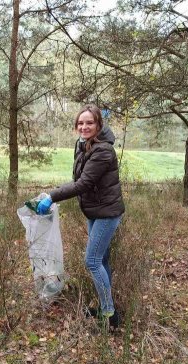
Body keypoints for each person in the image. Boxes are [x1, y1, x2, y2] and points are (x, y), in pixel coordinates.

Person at [36, 104, 125, 328]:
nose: (84, 127)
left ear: (98, 125)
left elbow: (84, 183)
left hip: (106, 213)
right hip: (95, 210)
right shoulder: (85, 145)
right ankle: (106, 306)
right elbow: (80, 178)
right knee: (102, 260)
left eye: (90, 123)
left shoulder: (103, 150)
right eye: (81, 123)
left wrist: (52, 196)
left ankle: (110, 315)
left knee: (92, 260)